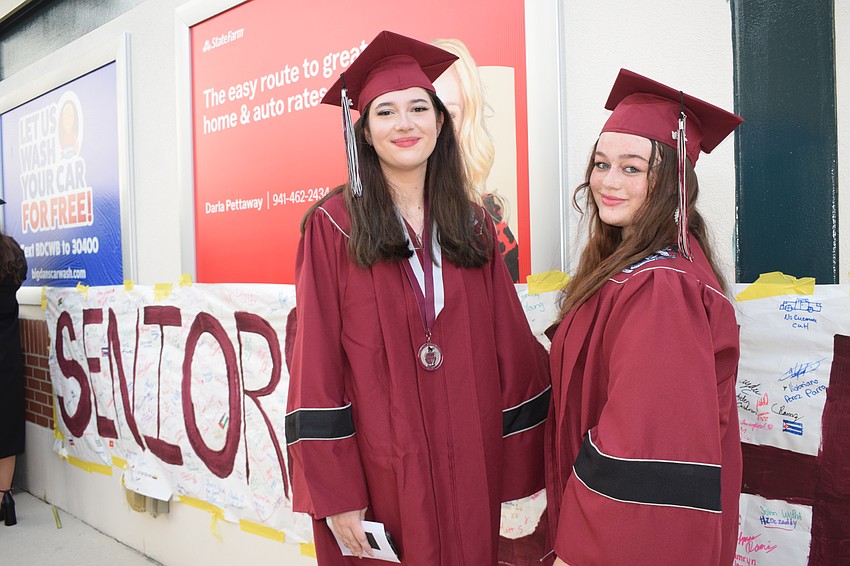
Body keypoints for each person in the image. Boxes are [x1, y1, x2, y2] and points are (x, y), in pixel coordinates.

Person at [284, 30, 550, 565]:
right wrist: (337, 493)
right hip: (382, 469)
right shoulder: (334, 228)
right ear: (364, 131)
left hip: (469, 463)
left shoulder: (473, 226)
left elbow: (511, 347)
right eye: (385, 112)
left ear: (440, 123)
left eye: (418, 108)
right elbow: (315, 364)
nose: (405, 124)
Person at [545, 69, 743, 565]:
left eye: (632, 168)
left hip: (626, 541)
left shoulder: (662, 286)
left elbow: (642, 442)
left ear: (673, 181)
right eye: (601, 164)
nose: (608, 183)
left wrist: (580, 550)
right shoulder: (636, 267)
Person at [431, 38, 521, 282]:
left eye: (450, 114)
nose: (435, 126)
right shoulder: (377, 217)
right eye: (422, 108)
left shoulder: (486, 217)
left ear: (465, 122)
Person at [0, 206, 28, 527]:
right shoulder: (12, 251)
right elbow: (21, 279)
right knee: (6, 424)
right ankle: (6, 496)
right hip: (7, 351)